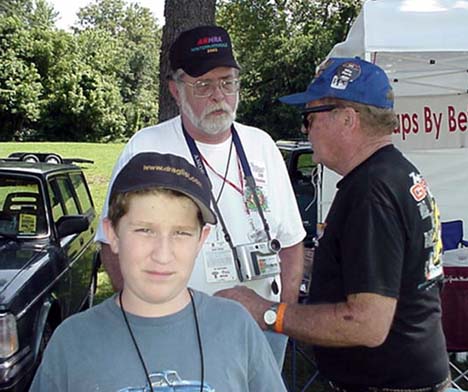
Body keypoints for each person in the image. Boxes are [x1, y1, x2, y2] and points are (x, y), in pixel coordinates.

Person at [216, 57, 451, 391]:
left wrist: (267, 312)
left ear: (347, 119)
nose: (304, 129)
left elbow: (367, 324)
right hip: (411, 372)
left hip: (388, 383)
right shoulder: (396, 173)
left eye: (309, 118)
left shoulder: (371, 192)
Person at [95, 25, 306, 366]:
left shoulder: (262, 145)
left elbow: (292, 242)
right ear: (175, 90)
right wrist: (145, 319)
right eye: (203, 85)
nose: (218, 95)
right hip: (177, 332)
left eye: (227, 82)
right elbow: (111, 245)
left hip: (262, 330)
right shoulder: (146, 148)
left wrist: (284, 315)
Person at [30, 152, 287, 392]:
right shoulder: (71, 342)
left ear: (201, 239)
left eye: (181, 233)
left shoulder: (236, 327)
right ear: (112, 234)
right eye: (144, 230)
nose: (162, 255)